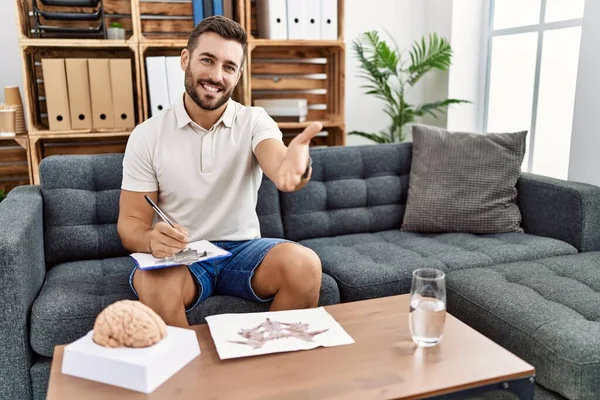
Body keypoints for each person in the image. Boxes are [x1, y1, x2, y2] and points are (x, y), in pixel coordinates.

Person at [117, 15, 323, 328]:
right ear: (185, 60)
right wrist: (151, 239)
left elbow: (282, 168)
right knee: (153, 283)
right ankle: (189, 376)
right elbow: (130, 224)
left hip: (244, 250)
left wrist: (297, 169)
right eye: (208, 60)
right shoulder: (147, 135)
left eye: (229, 67)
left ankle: (273, 370)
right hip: (183, 256)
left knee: (304, 264)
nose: (216, 75)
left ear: (238, 75)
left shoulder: (255, 121)